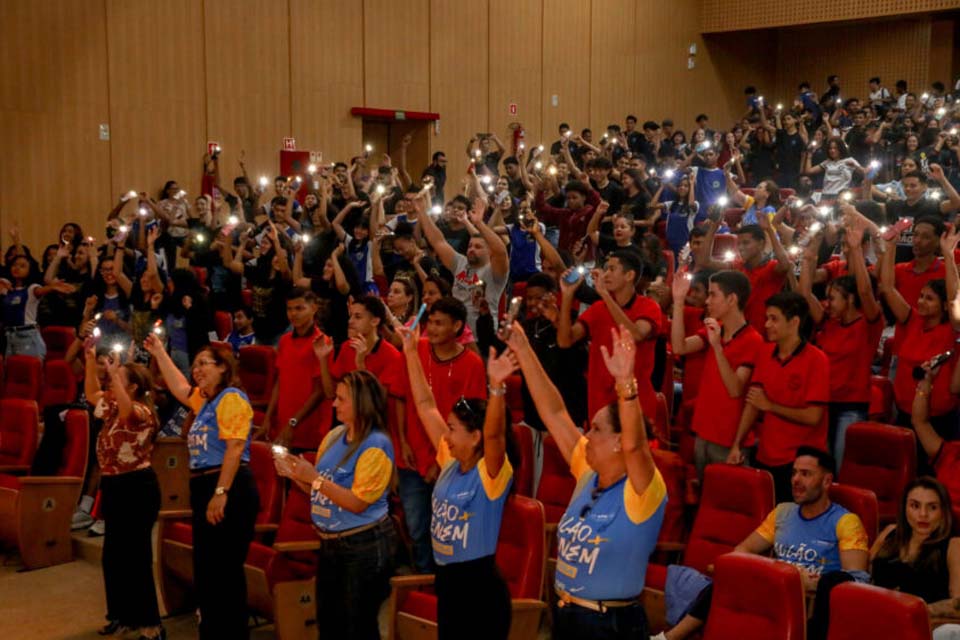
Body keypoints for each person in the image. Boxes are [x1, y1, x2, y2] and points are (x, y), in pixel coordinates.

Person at [506, 323, 665, 640]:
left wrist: (625, 384)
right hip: (566, 616)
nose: (586, 435)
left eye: (595, 429)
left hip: (610, 625)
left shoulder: (644, 489)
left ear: (619, 441)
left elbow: (636, 447)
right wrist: (524, 350)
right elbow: (553, 411)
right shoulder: (589, 471)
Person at [656, 447, 869, 640]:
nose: (795, 480)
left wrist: (814, 583)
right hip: (772, 592)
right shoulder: (783, 512)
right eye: (794, 473)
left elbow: (855, 582)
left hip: (809, 606)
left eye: (806, 474)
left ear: (826, 481)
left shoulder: (846, 522)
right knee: (729, 577)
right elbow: (743, 550)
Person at [401, 326, 517, 639]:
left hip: (480, 590)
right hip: (448, 583)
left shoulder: (491, 474)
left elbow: (495, 434)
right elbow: (425, 404)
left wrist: (496, 388)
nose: (446, 435)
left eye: (452, 429)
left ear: (475, 436)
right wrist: (411, 351)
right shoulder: (451, 462)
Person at [144, 337, 260, 639]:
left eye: (204, 364)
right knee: (208, 572)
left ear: (223, 368)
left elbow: (235, 447)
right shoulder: (206, 402)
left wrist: (220, 494)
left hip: (227, 485)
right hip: (205, 485)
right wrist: (158, 352)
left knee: (224, 572)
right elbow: (180, 388)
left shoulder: (232, 397)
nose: (197, 370)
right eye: (194, 365)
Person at [274, 370, 396, 640]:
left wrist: (313, 478)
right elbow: (318, 490)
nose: (333, 404)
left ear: (361, 403)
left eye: (341, 399)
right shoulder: (335, 436)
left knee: (358, 627)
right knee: (329, 623)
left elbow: (357, 503)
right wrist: (295, 474)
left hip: (363, 544)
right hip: (330, 544)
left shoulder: (377, 444)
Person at [399, 296, 487, 573]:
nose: (432, 329)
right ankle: (423, 580)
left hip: (450, 461)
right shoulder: (417, 348)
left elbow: (472, 419)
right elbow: (404, 399)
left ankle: (440, 581)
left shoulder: (472, 363)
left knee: (444, 528)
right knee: (416, 527)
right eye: (430, 322)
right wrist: (401, 441)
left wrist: (442, 462)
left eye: (439, 323)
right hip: (412, 452)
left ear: (457, 326)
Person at [85, 345, 163, 640]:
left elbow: (129, 411)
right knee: (113, 555)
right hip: (114, 485)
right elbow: (92, 394)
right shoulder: (112, 405)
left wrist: (115, 374)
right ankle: (121, 615)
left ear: (132, 386)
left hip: (137, 487)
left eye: (119, 377)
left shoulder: (142, 411)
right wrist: (90, 361)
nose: (111, 379)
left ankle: (151, 624)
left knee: (137, 556)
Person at [799, 210, 882, 469]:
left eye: (833, 298)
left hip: (851, 406)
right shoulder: (828, 321)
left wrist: (855, 249)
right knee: (821, 465)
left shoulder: (869, 323)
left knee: (840, 464)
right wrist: (809, 258)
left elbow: (865, 289)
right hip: (822, 403)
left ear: (849, 300)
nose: (827, 303)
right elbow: (804, 293)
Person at [728, 292, 830, 503]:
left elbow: (814, 416)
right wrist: (737, 444)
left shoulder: (816, 360)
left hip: (800, 463)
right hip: (766, 455)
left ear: (794, 322)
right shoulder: (765, 352)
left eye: (774, 319)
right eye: (767, 318)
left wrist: (771, 406)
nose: (766, 324)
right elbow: (754, 402)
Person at [671, 270, 764, 478]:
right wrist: (677, 302)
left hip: (728, 440)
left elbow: (735, 389)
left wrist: (717, 347)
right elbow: (679, 347)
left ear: (731, 299)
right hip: (703, 432)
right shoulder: (715, 330)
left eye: (713, 295)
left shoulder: (752, 340)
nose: (707, 301)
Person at [558, 250, 663, 421]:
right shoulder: (599, 308)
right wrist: (568, 295)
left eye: (612, 269)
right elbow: (564, 340)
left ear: (629, 275)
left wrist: (605, 295)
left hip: (635, 404)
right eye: (605, 269)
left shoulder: (649, 307)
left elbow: (634, 335)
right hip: (599, 404)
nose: (605, 274)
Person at [871, 476, 960, 630]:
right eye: (915, 506)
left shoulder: (953, 545)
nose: (923, 514)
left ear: (943, 511)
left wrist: (917, 611)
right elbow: (862, 578)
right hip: (876, 619)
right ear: (904, 507)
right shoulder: (889, 533)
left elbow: (958, 602)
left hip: (921, 627)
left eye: (932, 507)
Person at [419, 194, 509, 336]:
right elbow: (438, 241)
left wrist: (479, 223)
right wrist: (422, 212)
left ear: (489, 252)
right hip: (455, 334)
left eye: (478, 247)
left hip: (482, 336)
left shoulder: (494, 271)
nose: (472, 249)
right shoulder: (461, 262)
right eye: (470, 246)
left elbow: (501, 252)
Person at [263, 288, 328, 452]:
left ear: (313, 308)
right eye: (289, 309)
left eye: (299, 308)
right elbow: (280, 381)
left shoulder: (321, 342)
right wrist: (268, 417)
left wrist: (293, 422)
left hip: (308, 428)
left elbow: (320, 391)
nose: (293, 314)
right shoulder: (284, 341)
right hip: (283, 423)